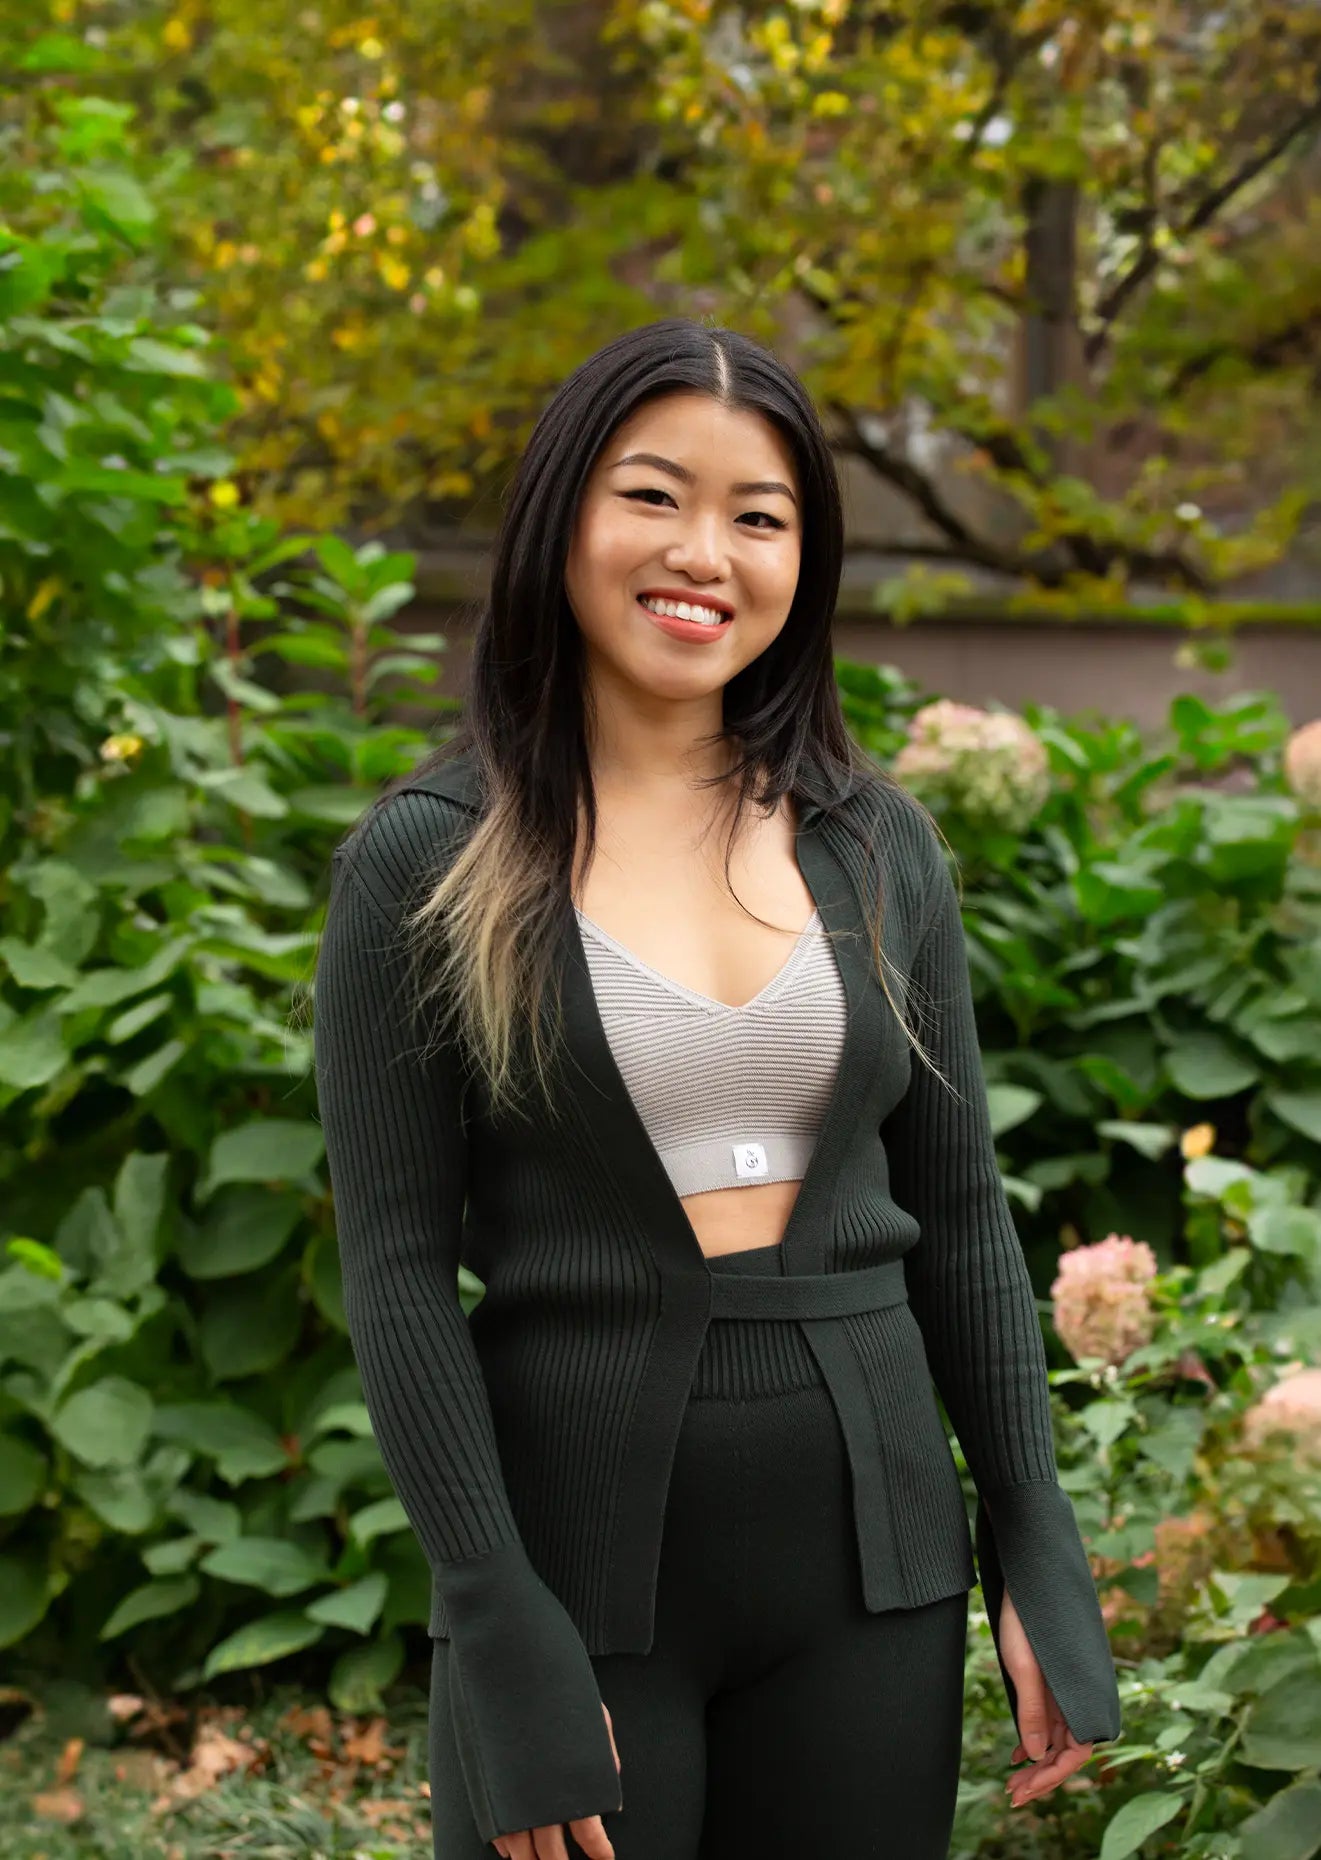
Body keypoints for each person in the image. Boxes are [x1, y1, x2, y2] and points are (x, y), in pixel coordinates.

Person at [312, 316, 1121, 1860]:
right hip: (578, 1569)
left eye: (760, 517)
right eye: (653, 495)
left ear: (801, 564)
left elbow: (958, 1217)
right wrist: (496, 1624)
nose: (705, 552)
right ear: (561, 514)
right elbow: (398, 1274)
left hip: (871, 1573)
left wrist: (1035, 1544)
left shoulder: (877, 847)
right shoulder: (425, 861)